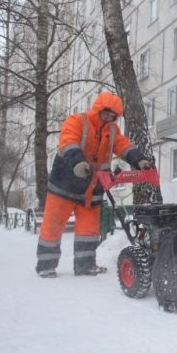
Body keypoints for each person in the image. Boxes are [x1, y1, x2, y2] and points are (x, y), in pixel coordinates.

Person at [35, 91, 151, 278]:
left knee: (88, 231)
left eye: (113, 116)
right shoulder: (77, 121)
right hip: (64, 184)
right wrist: (79, 162)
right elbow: (68, 142)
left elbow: (123, 146)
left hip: (92, 188)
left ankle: (85, 265)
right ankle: (46, 265)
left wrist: (139, 160)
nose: (108, 118)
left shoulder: (113, 131)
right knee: (53, 226)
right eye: (106, 113)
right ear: (98, 109)